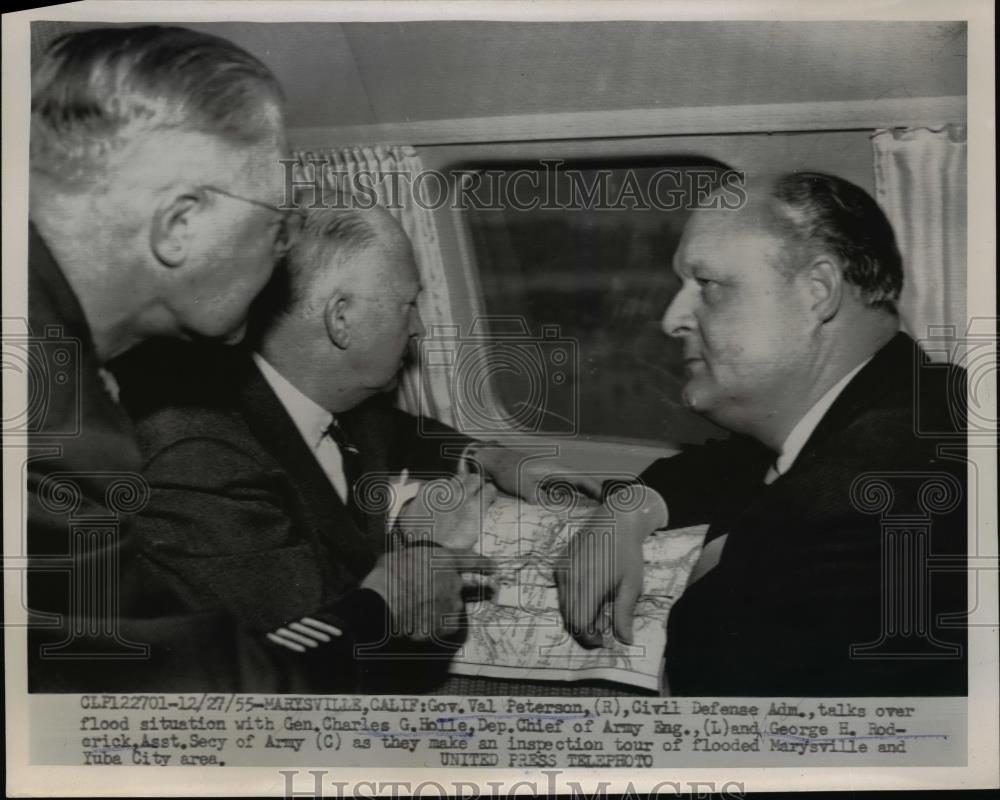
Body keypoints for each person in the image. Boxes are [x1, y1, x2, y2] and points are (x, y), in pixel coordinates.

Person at [114, 199, 600, 692]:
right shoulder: (201, 459)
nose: (419, 329)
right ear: (340, 318)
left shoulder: (327, 400)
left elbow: (397, 432)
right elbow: (324, 669)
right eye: (406, 305)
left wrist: (494, 457)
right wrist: (424, 549)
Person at [26, 25, 362, 692]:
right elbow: (202, 697)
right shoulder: (50, 419)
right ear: (179, 225)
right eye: (278, 222)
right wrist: (386, 611)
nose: (282, 253)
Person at [558, 171, 967, 696]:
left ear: (817, 291)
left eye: (707, 285)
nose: (670, 319)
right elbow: (741, 461)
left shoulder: (859, 515)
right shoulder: (919, 402)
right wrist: (627, 509)